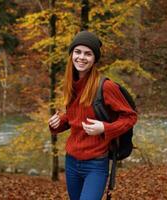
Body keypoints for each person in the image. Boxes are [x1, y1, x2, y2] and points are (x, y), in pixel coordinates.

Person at [48, 30, 137, 200]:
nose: (81, 57)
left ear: (95, 59)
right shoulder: (71, 83)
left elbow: (130, 117)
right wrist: (58, 122)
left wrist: (104, 127)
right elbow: (75, 118)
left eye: (88, 54)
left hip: (95, 164)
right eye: (77, 52)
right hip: (71, 161)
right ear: (71, 54)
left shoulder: (105, 87)